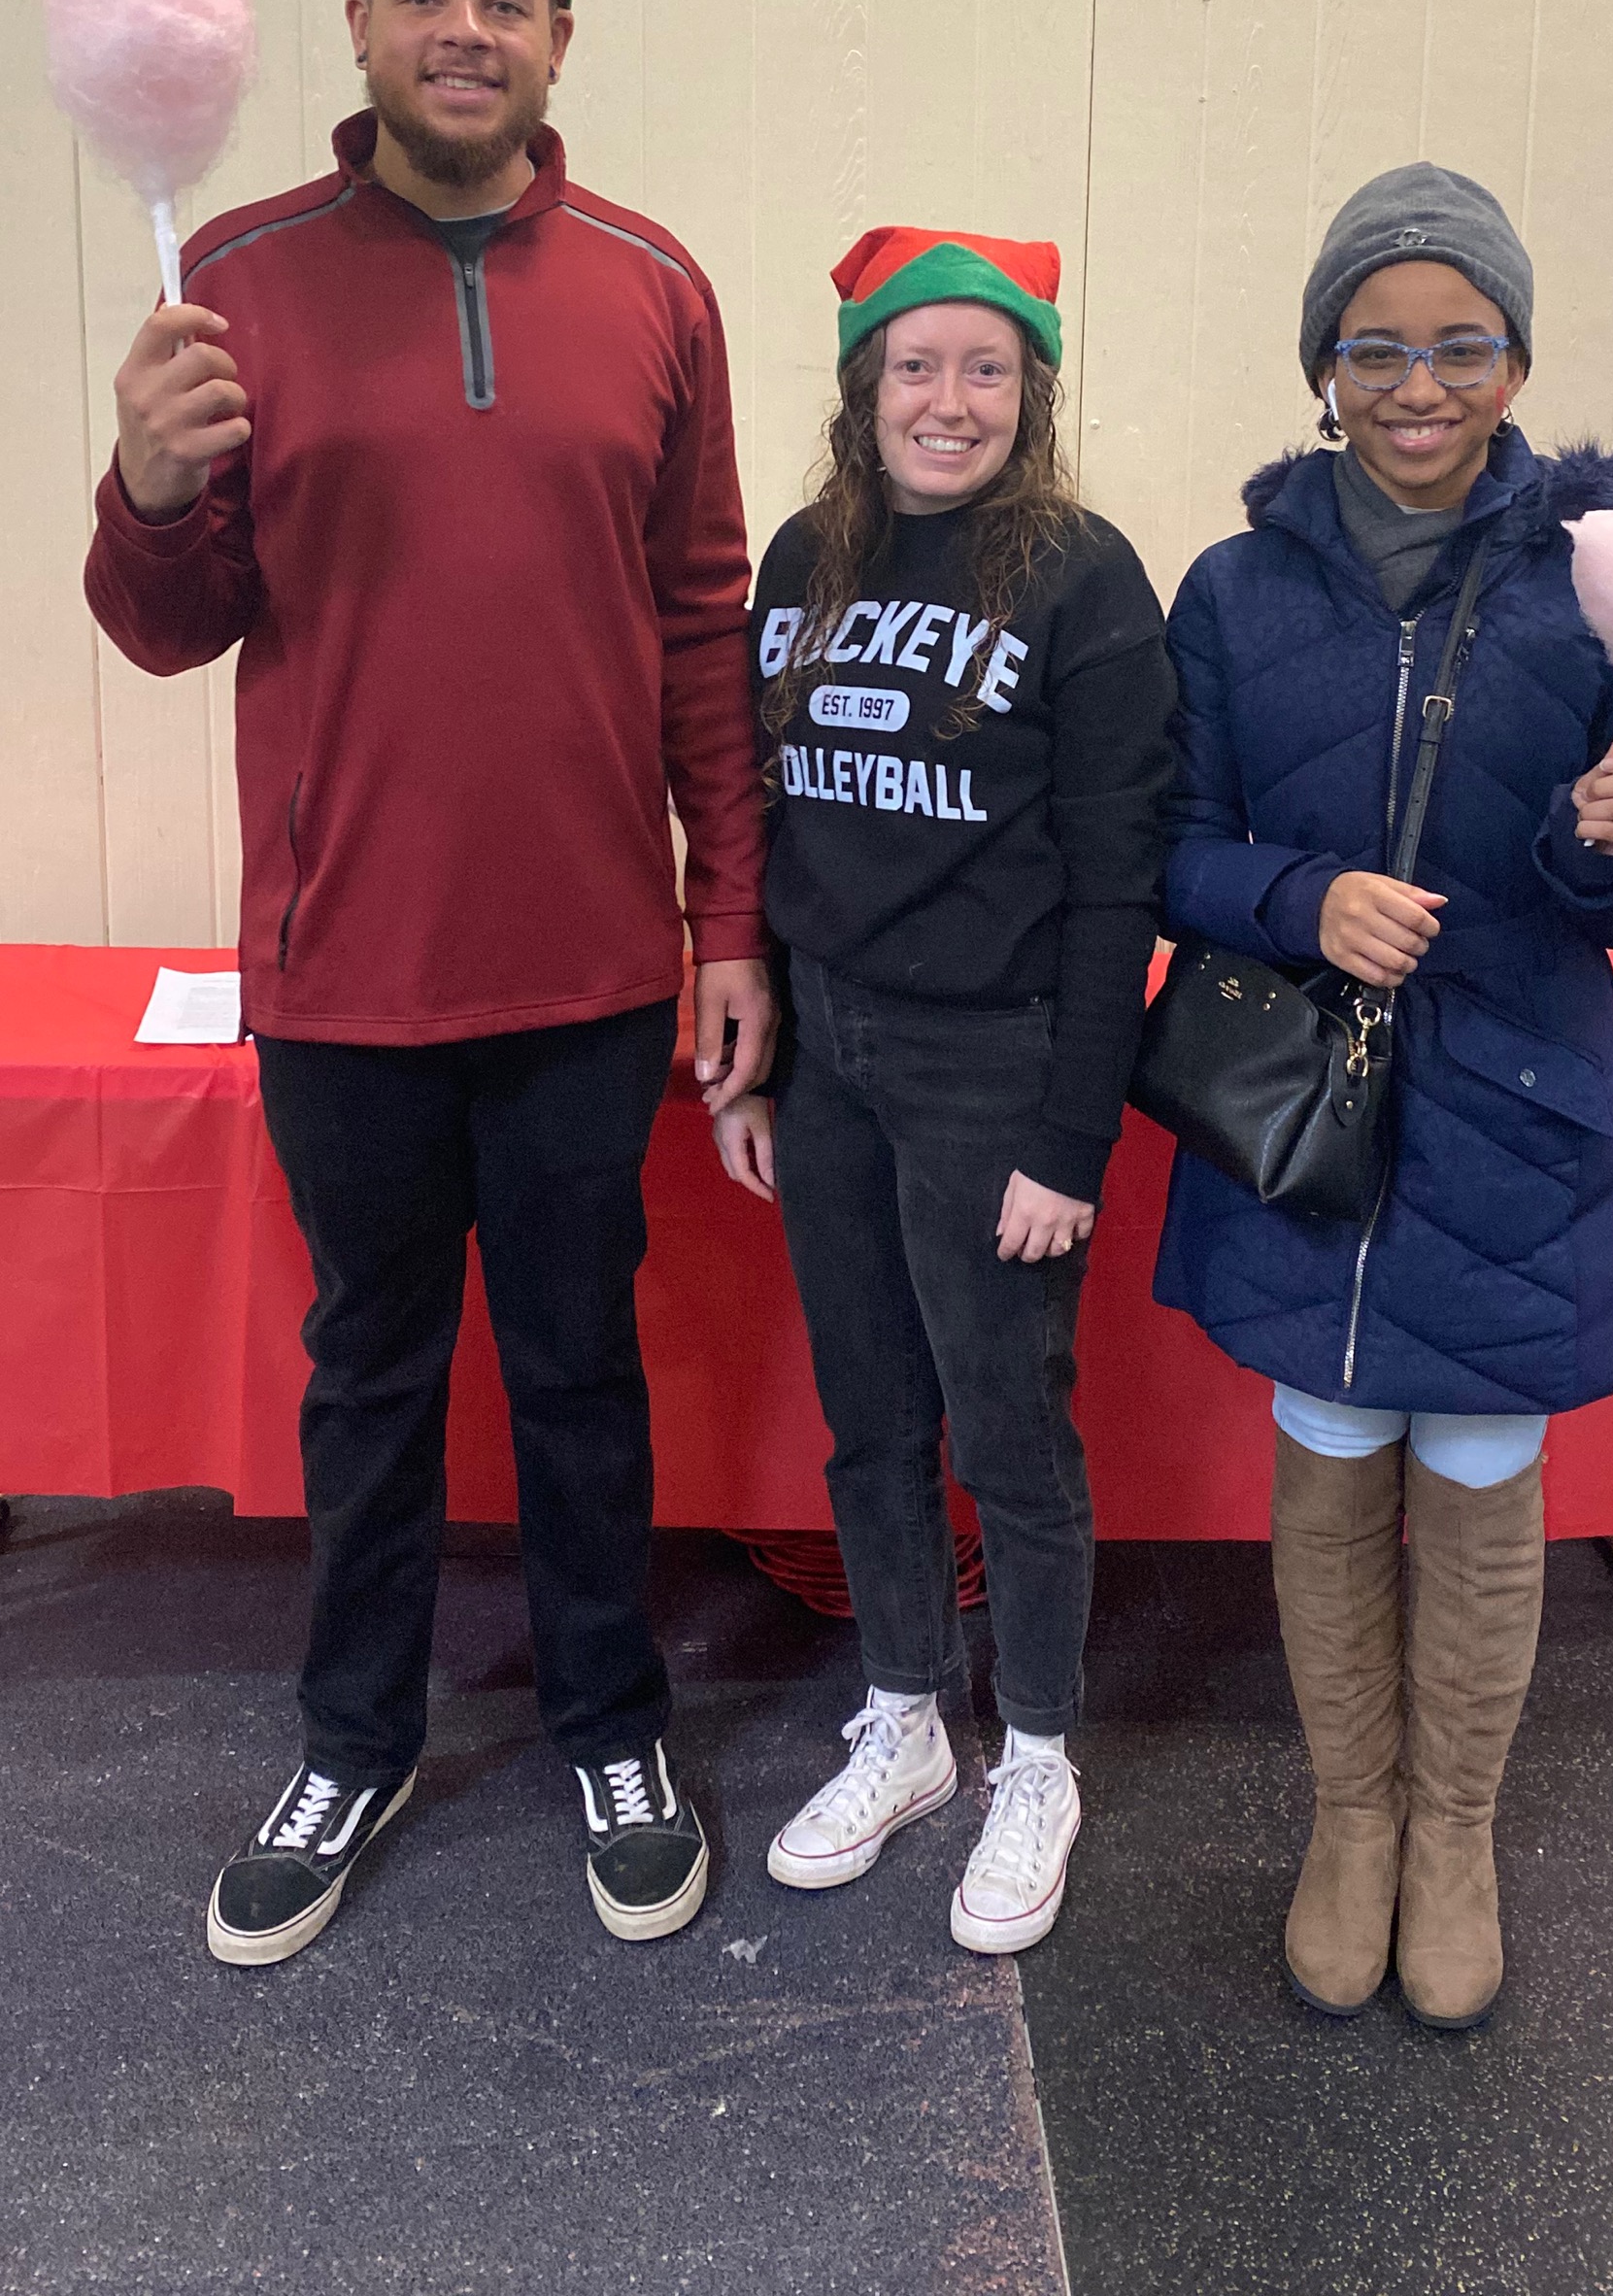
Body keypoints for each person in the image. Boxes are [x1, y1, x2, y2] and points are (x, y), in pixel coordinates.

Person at [85, 0, 774, 1966]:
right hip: (339, 967)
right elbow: (161, 627)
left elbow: (702, 622)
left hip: (586, 970)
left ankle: (610, 1722)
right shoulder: (246, 281)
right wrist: (150, 483)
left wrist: (727, 919)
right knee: (370, 1375)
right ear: (361, 23)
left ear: (560, 35)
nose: (464, 29)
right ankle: (352, 1736)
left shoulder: (658, 290)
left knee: (579, 1369)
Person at [1154, 162, 1613, 2030]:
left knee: (1479, 1461)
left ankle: (1452, 1831)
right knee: (1326, 1447)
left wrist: (1612, 848)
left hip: (1514, 1104)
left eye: (1460, 344)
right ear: (1322, 366)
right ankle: (1351, 1821)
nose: (1418, 382)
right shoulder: (1233, 590)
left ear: (1516, 359)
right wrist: (1296, 895)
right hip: (1310, 1109)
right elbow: (1169, 848)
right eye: (1375, 347)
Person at [708, 227, 1174, 1953]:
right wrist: (756, 1060)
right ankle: (907, 1714)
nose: (950, 400)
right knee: (871, 1418)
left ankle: (1037, 1753)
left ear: (1030, 392)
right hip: (826, 1052)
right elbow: (753, 815)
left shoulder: (1081, 576)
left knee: (1010, 1430)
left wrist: (1073, 1135)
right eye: (918, 365)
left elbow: (1122, 872)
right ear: (863, 386)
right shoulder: (803, 560)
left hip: (995, 1070)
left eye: (988, 369)